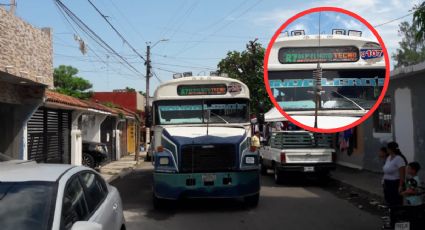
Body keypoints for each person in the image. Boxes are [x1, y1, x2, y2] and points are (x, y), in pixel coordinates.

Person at [382, 142, 406, 207]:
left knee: (395, 201)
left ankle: (397, 215)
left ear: (391, 149)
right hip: (387, 182)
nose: (386, 150)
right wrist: (383, 181)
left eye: (387, 148)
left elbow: (402, 174)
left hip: (395, 183)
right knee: (389, 200)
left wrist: (400, 186)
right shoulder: (388, 157)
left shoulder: (399, 159)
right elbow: (386, 171)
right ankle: (391, 214)